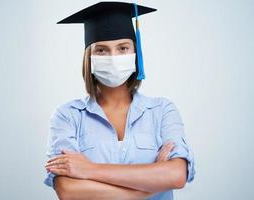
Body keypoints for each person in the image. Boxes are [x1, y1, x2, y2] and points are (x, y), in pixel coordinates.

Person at [44, 2, 195, 199]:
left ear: (135, 53)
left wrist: (89, 169)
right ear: (89, 57)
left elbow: (176, 175)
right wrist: (150, 185)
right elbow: (68, 191)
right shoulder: (68, 116)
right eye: (101, 50)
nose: (113, 57)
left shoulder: (162, 110)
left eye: (123, 48)